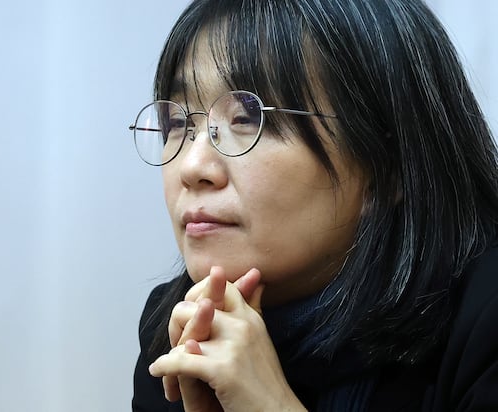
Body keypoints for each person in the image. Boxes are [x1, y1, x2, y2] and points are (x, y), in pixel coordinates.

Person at [130, 0, 498, 410]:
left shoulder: (485, 322)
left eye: (247, 117)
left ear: (387, 168)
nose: (192, 166)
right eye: (179, 123)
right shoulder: (180, 325)